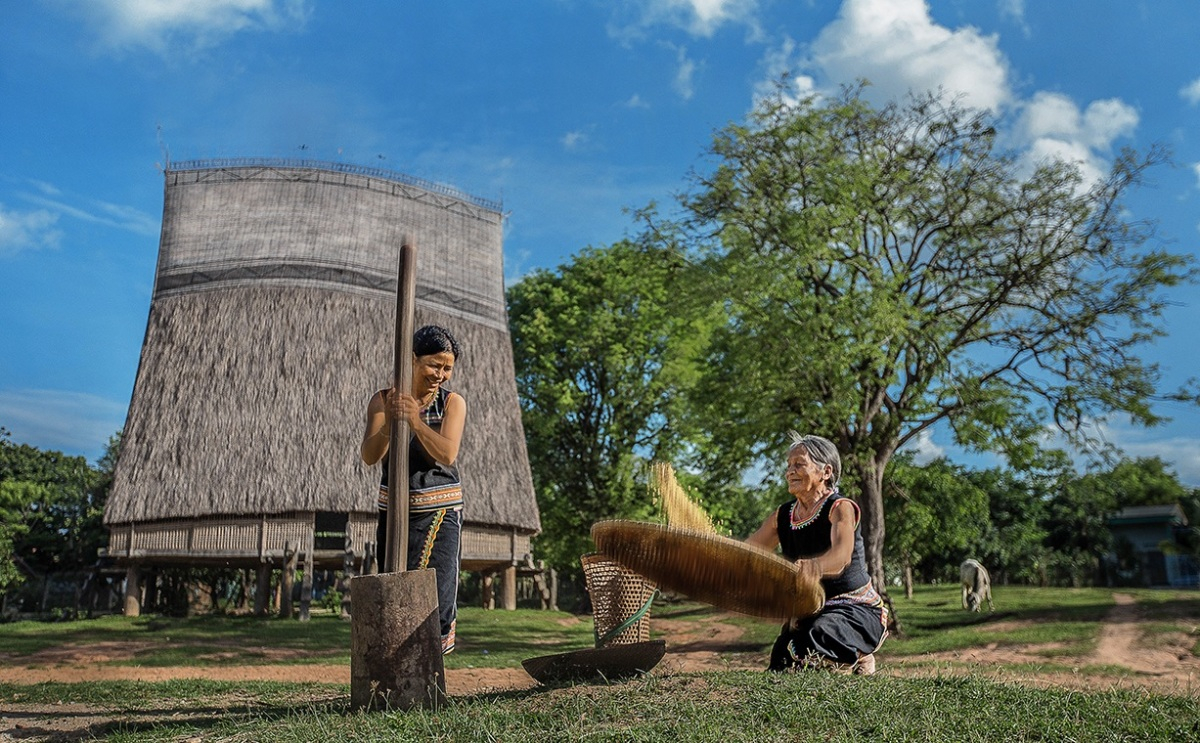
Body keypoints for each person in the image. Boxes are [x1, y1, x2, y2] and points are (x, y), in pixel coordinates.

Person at [360, 324, 467, 655]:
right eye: (434, 364)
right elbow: (370, 455)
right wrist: (392, 422)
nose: (441, 374)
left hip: (438, 509)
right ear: (413, 359)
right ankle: (399, 667)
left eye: (447, 368)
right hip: (393, 510)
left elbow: (447, 454)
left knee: (436, 596)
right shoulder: (383, 399)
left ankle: (430, 669)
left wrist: (416, 422)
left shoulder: (452, 403)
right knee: (394, 588)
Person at [746, 432, 887, 675]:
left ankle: (861, 653)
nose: (790, 471)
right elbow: (749, 553)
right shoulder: (783, 515)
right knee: (782, 659)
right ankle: (850, 656)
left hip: (855, 609)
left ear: (826, 472)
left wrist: (814, 567)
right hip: (811, 609)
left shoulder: (841, 507)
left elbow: (842, 556)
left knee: (820, 636)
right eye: (789, 465)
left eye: (799, 464)